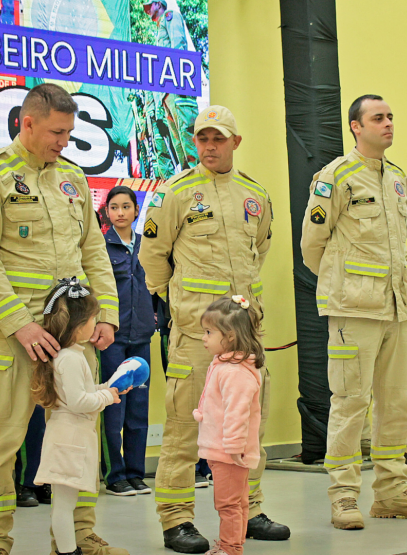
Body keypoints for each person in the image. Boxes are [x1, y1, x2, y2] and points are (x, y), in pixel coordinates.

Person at [0, 83, 123, 555]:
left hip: (73, 332)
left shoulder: (72, 176)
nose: (64, 142)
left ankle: (80, 537)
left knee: (79, 437)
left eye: (69, 133)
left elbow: (93, 250)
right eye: (56, 132)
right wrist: (19, 323)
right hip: (15, 333)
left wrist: (104, 315)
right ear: (27, 123)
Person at [140, 105, 288, 553]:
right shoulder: (175, 194)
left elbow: (259, 249)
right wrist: (184, 309)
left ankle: (248, 509)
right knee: (185, 425)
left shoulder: (254, 194)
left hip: (245, 336)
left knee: (250, 425)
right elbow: (152, 259)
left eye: (218, 139)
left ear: (235, 143)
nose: (208, 146)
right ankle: (175, 520)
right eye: (202, 138)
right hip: (195, 337)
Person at [300, 94, 407, 529]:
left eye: (391, 117)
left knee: (397, 405)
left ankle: (392, 491)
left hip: (399, 309)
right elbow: (312, 246)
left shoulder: (397, 178)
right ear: (355, 127)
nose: (388, 124)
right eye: (378, 118)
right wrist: (347, 285)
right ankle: (344, 496)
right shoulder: (335, 177)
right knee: (349, 404)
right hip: (354, 309)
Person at [30, 279, 131, 555]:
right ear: (77, 324)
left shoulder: (69, 355)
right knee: (64, 506)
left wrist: (107, 388)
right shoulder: (72, 359)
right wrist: (108, 397)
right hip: (69, 440)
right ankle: (67, 552)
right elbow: (78, 402)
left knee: (66, 504)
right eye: (92, 318)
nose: (96, 323)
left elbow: (81, 392)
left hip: (70, 437)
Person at [193, 296, 265, 555]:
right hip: (221, 450)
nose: (204, 337)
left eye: (209, 332)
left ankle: (230, 548)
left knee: (229, 503)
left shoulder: (235, 372)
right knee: (236, 501)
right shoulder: (224, 363)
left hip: (229, 452)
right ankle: (231, 545)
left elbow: (238, 414)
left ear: (231, 336)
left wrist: (234, 448)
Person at [100, 186, 154, 496]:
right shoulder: (100, 246)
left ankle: (136, 473)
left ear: (136, 210)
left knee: (138, 409)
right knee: (113, 407)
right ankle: (114, 474)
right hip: (112, 338)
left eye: (126, 206)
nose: (120, 212)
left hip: (142, 336)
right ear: (107, 212)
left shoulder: (148, 246)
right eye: (114, 207)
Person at [143, 1, 199, 174]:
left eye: (149, 4)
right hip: (166, 93)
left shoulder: (170, 17)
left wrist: (178, 79)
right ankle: (187, 178)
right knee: (177, 141)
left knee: (187, 134)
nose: (146, 9)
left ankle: (197, 176)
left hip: (177, 86)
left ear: (159, 4)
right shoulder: (159, 28)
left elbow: (178, 47)